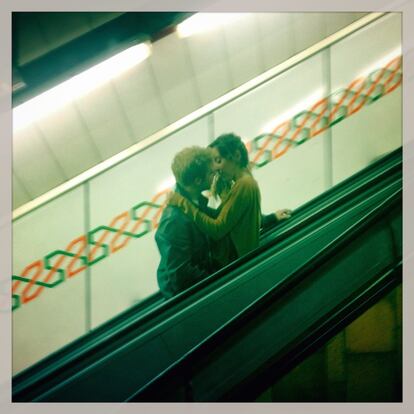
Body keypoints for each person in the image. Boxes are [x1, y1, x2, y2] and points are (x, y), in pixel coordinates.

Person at [168, 133, 292, 268]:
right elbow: (238, 220)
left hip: (236, 263)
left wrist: (182, 203)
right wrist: (271, 218)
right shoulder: (240, 181)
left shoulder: (244, 185)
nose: (215, 168)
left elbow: (217, 229)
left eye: (218, 160)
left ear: (237, 156)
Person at [155, 146, 219, 299]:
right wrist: (217, 280)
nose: (215, 174)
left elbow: (219, 221)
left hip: (201, 283)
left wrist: (269, 219)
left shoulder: (196, 201)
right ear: (198, 181)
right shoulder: (174, 221)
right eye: (211, 172)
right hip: (186, 298)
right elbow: (180, 274)